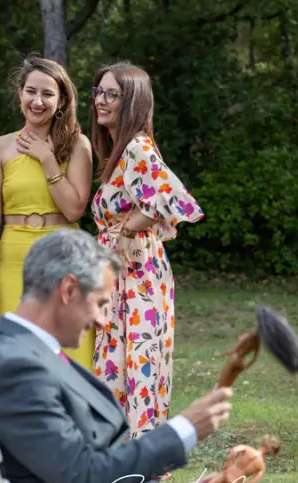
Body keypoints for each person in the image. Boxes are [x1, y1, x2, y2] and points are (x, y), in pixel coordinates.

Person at [0, 228, 290, 483]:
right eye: (100, 304)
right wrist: (184, 428)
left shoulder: (27, 353)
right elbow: (85, 476)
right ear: (67, 290)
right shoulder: (18, 368)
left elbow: (81, 465)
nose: (102, 320)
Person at [0, 55, 94, 483]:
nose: (37, 100)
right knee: (13, 369)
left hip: (63, 255)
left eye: (48, 93)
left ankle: (68, 480)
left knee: (69, 363)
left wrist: (47, 159)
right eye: (31, 91)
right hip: (12, 261)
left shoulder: (77, 145)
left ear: (61, 100)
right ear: (19, 94)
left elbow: (75, 209)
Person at [89, 62, 204, 444]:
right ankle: (120, 464)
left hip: (137, 275)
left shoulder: (137, 147)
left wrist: (129, 226)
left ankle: (136, 470)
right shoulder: (120, 151)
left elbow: (171, 197)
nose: (100, 101)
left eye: (111, 94)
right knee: (115, 368)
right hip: (121, 272)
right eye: (98, 92)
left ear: (133, 102)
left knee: (135, 368)